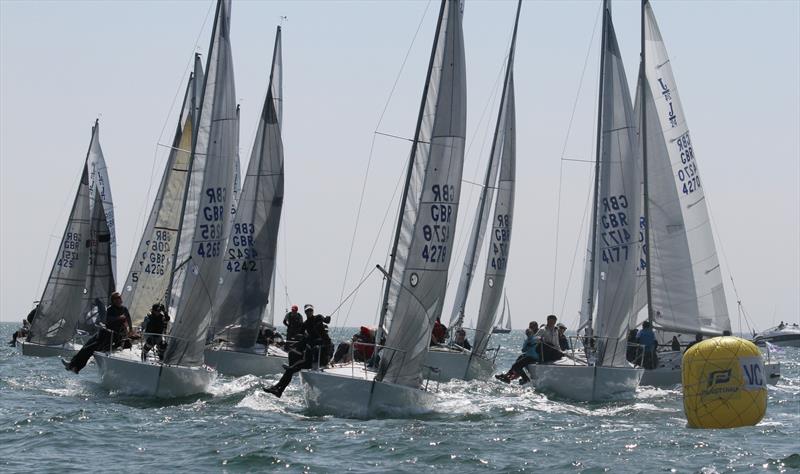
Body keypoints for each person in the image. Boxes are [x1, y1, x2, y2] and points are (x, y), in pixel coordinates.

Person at [265, 304, 332, 398]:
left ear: (313, 311)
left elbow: (327, 320)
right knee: (290, 369)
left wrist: (328, 318)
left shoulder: (318, 317)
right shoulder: (305, 324)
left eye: (310, 310)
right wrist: (292, 341)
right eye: (307, 311)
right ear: (305, 312)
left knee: (292, 368)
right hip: (308, 359)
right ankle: (278, 389)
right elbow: (300, 334)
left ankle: (278, 388)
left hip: (318, 353)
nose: (309, 312)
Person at [62, 292, 131, 374]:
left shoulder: (124, 309)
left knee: (89, 349)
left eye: (119, 297)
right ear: (113, 300)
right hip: (105, 334)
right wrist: (118, 318)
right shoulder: (110, 309)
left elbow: (128, 320)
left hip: (111, 336)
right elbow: (106, 320)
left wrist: (130, 329)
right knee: (86, 346)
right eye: (116, 298)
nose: (118, 299)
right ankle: (73, 365)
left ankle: (74, 367)